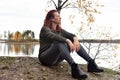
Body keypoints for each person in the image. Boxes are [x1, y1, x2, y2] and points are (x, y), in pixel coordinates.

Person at [38, 10, 104, 79]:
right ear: (52, 19)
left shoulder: (60, 31)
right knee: (59, 42)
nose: (60, 18)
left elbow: (71, 35)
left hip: (56, 60)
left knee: (73, 41)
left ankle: (91, 63)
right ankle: (74, 68)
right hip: (45, 58)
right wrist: (67, 40)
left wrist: (75, 39)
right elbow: (54, 36)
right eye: (58, 16)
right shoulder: (45, 29)